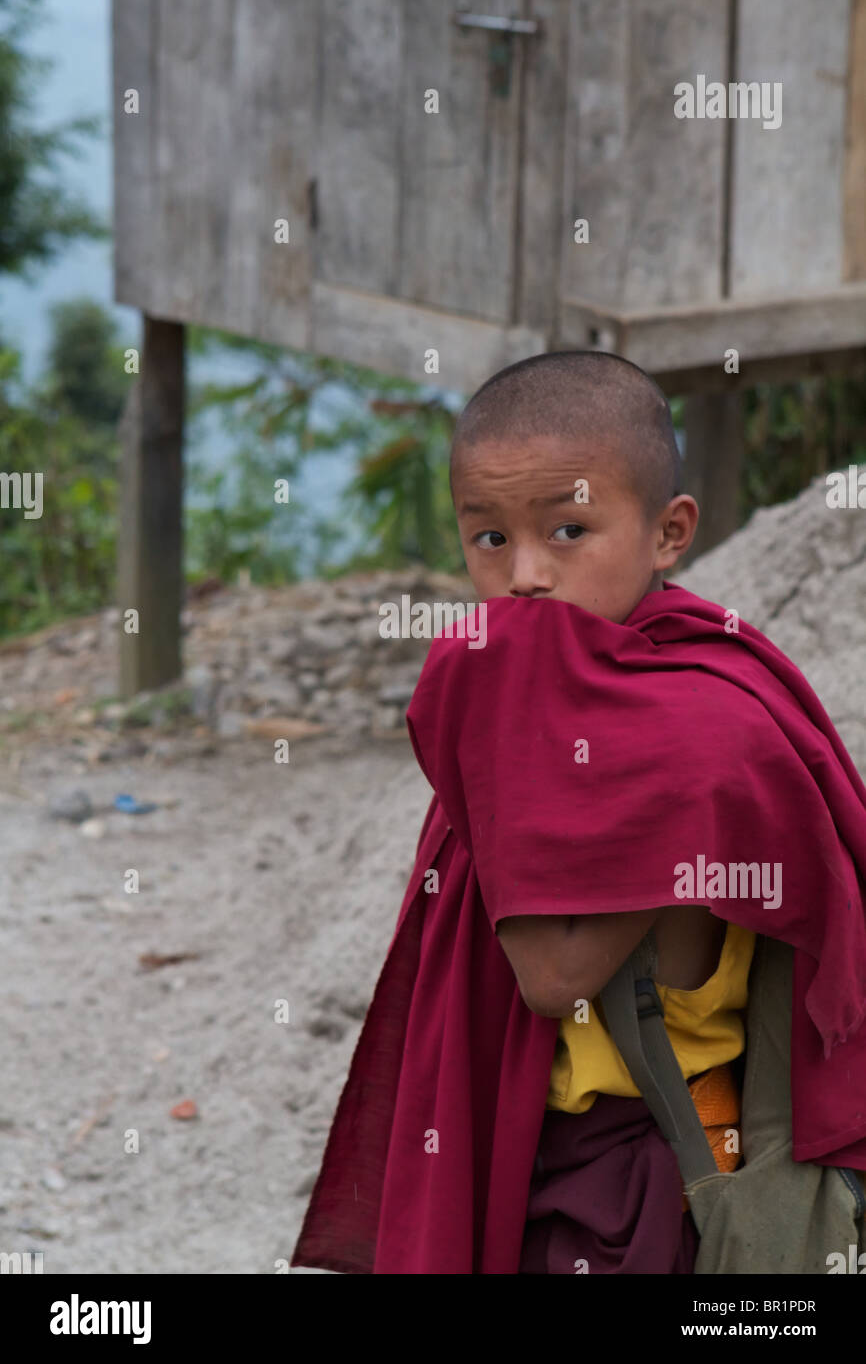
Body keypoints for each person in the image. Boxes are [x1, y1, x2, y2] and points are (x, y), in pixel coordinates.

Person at [291, 350, 866, 1275]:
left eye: (568, 530)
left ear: (669, 532)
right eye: (490, 539)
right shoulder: (541, 714)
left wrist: (634, 793)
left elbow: (551, 977)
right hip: (531, 1145)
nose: (524, 577)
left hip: (653, 1177)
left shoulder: (704, 721)